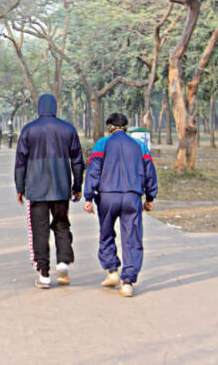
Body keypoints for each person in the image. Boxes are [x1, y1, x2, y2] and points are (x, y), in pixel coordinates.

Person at [83, 113, 158, 298]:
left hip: (107, 197)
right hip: (132, 197)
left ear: (110, 127)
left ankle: (112, 270)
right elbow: (150, 172)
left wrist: (88, 196)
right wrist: (150, 197)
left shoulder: (102, 144)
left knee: (106, 233)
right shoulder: (139, 146)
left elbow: (93, 170)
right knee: (132, 237)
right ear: (126, 127)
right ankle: (127, 282)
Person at [14, 94, 84, 289]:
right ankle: (63, 262)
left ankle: (44, 274)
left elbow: (20, 162)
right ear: (55, 108)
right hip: (61, 188)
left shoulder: (28, 130)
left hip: (36, 189)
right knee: (62, 225)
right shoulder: (68, 129)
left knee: (40, 230)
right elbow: (77, 161)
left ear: (39, 108)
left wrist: (20, 188)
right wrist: (77, 186)